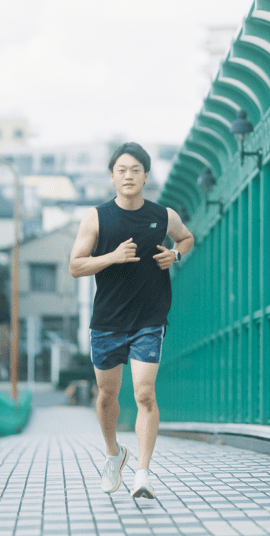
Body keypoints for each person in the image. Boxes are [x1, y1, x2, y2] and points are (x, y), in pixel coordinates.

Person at [69, 142, 194, 499]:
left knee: (144, 393)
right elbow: (75, 265)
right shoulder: (96, 218)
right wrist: (112, 256)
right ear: (112, 176)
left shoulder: (163, 215)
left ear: (146, 176)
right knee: (107, 395)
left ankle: (142, 472)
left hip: (149, 319)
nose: (128, 176)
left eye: (135, 170)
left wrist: (174, 254)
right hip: (107, 320)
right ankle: (114, 454)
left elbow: (186, 237)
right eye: (122, 170)